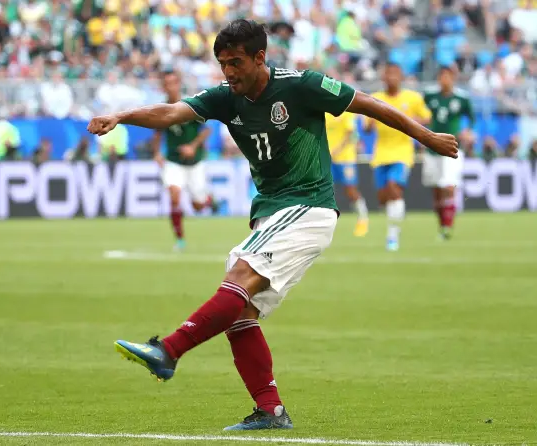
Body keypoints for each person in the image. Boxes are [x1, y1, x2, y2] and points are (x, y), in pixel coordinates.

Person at [87, 19, 457, 431]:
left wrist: (427, 137)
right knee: (240, 311)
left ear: (260, 57)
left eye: (236, 62)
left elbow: (369, 103)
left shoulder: (301, 85)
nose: (228, 72)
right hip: (272, 212)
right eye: (222, 63)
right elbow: (171, 112)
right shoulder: (227, 97)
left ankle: (169, 351)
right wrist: (120, 116)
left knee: (239, 279)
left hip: (308, 205)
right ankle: (270, 410)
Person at [366, 63, 432, 252]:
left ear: (401, 77)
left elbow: (427, 117)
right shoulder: (376, 99)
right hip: (381, 153)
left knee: (394, 189)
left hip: (402, 152)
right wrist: (370, 124)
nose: (392, 78)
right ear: (383, 77)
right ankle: (395, 218)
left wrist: (409, 122)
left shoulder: (412, 98)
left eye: (395, 74)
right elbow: (366, 127)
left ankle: (392, 235)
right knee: (382, 198)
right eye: (388, 74)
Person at [152, 70, 219, 252]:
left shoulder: (190, 105)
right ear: (163, 86)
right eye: (167, 83)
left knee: (197, 206)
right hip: (173, 161)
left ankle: (207, 200)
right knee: (174, 196)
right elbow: (157, 133)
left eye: (174, 82)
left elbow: (206, 130)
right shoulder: (161, 108)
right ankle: (180, 240)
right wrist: (157, 153)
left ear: (178, 83)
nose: (171, 86)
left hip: (195, 162)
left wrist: (193, 146)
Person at [423, 66, 474, 240]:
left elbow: (472, 118)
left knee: (449, 186)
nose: (444, 80)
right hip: (431, 149)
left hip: (452, 148)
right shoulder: (429, 96)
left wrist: (468, 131)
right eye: (442, 76)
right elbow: (422, 114)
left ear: (453, 79)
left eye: (448, 77)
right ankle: (442, 226)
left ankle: (448, 226)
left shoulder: (461, 98)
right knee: (436, 190)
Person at [325, 110, 368, 236]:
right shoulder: (324, 112)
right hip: (327, 159)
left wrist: (337, 150)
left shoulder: (345, 113)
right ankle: (326, 222)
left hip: (345, 159)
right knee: (326, 190)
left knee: (350, 189)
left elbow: (351, 134)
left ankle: (363, 218)